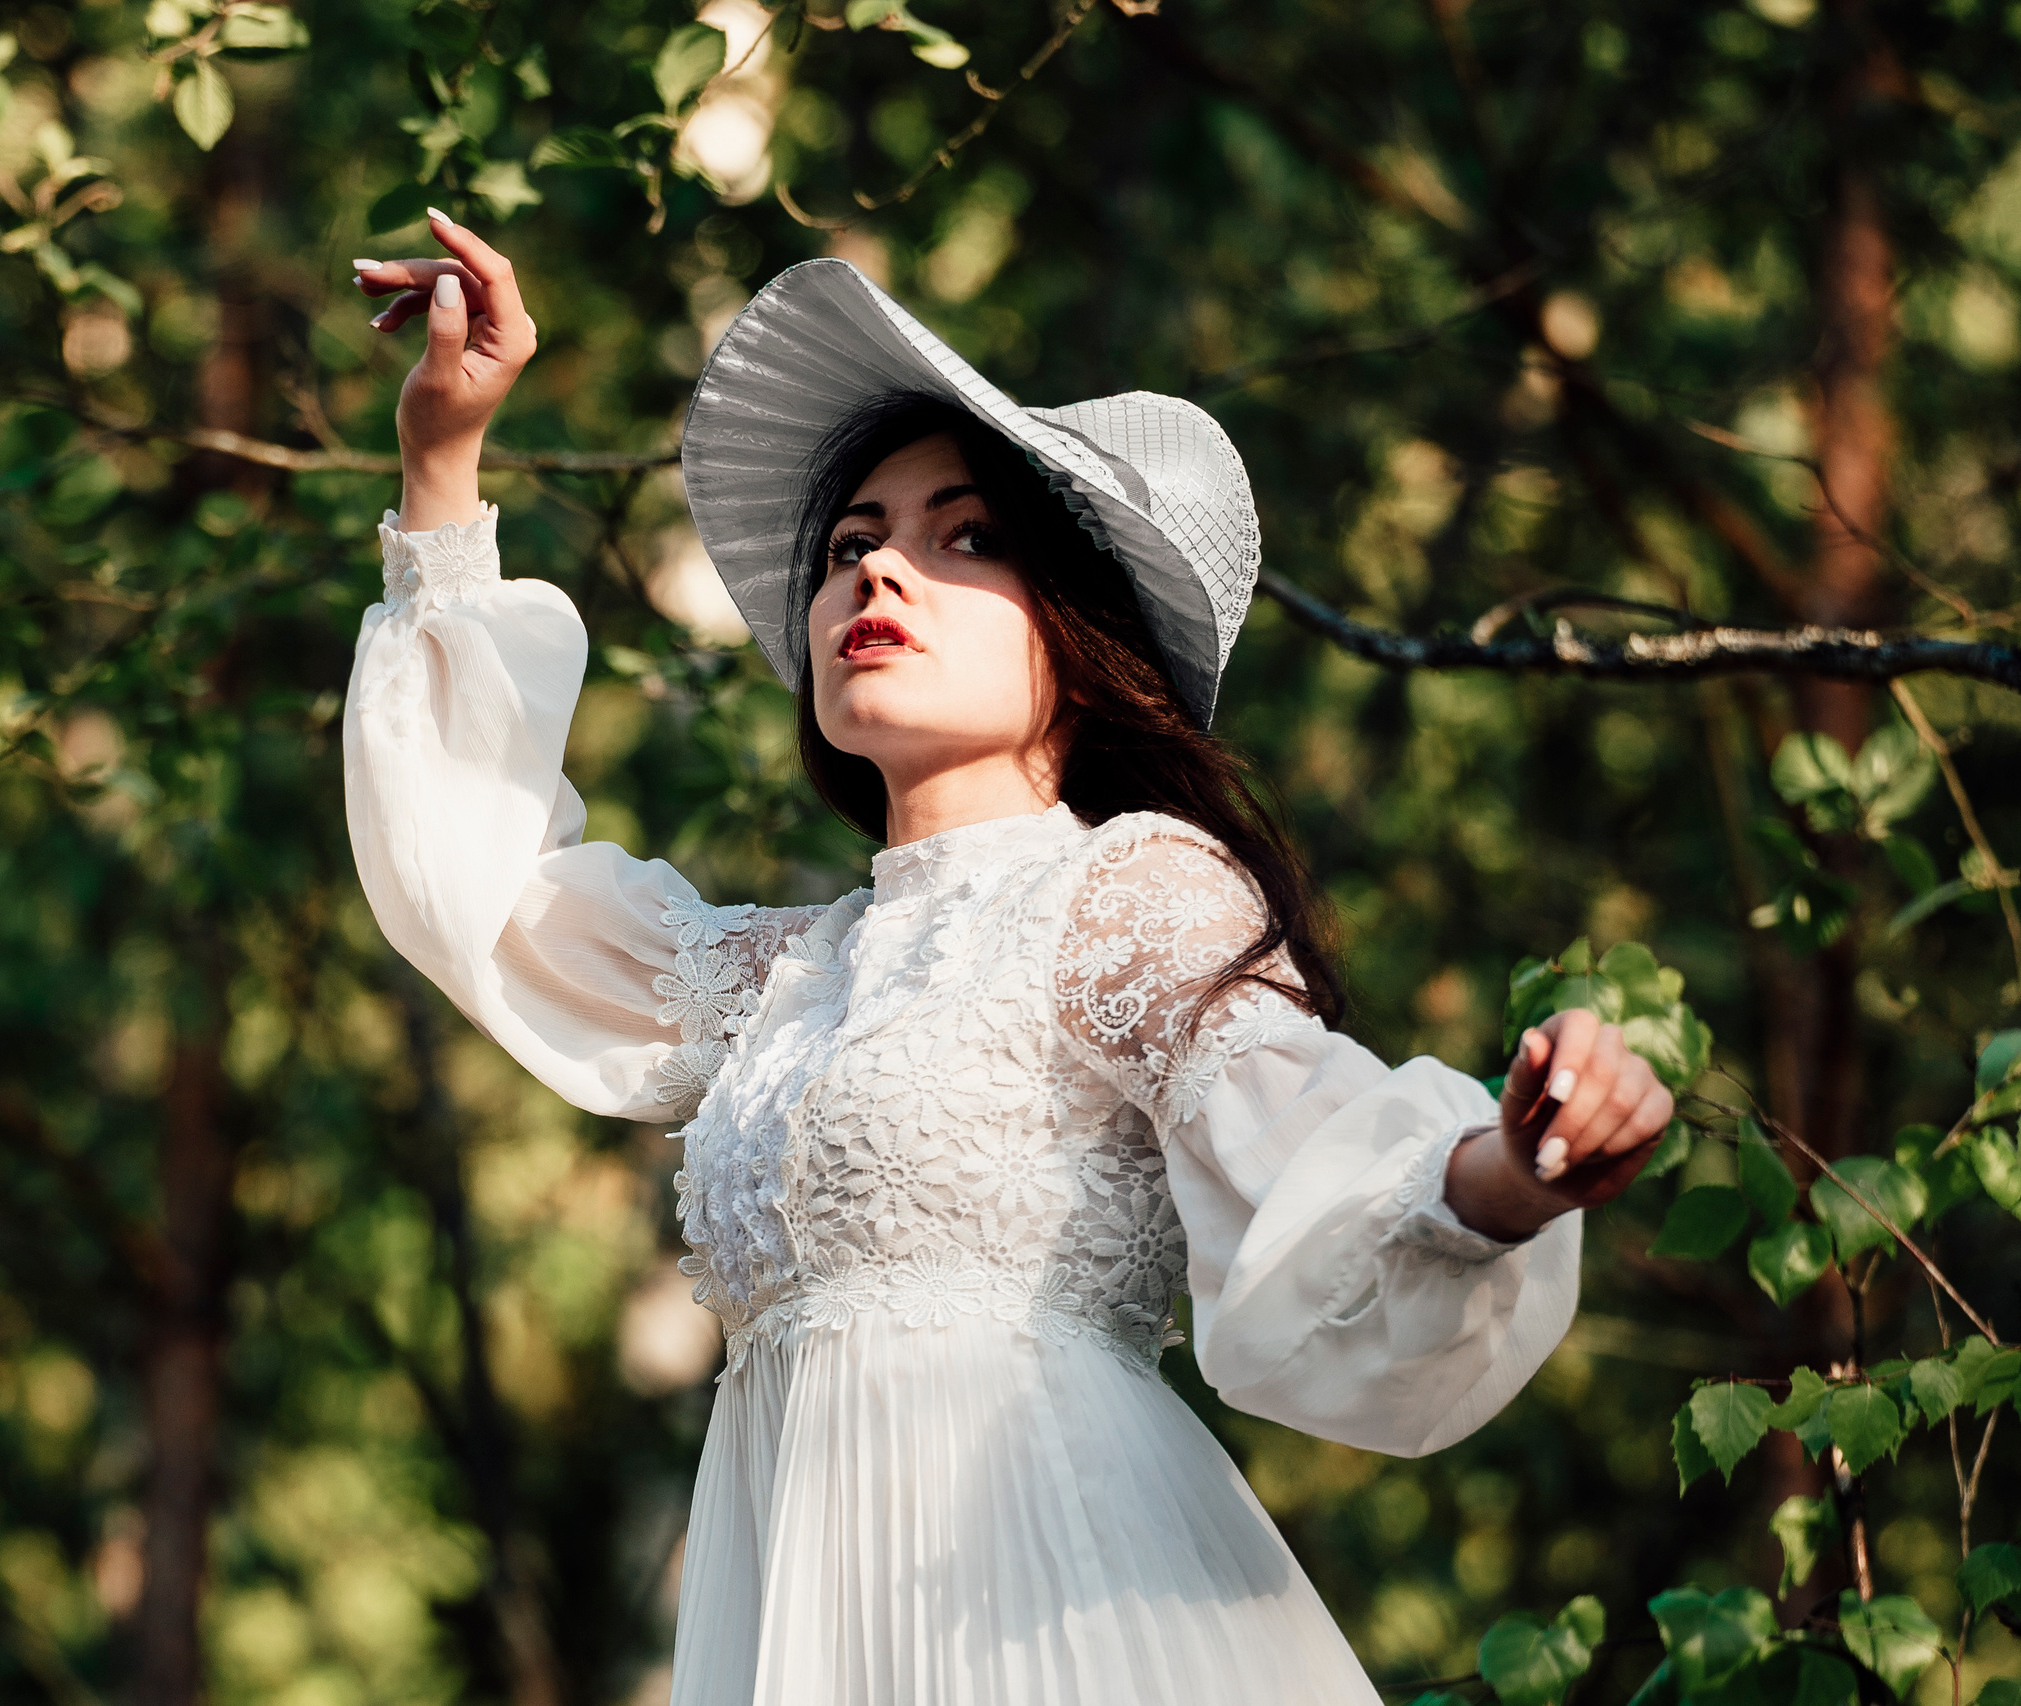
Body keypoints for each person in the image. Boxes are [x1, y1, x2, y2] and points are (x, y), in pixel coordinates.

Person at [344, 210, 1674, 1706]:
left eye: (962, 535)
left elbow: (1320, 1153)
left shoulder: (1126, 890)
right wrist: (445, 465)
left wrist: (1514, 1166)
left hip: (1056, 1620)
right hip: (811, 1628)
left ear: (1078, 635)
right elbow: (488, 894)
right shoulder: (786, 979)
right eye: (854, 545)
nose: (878, 575)